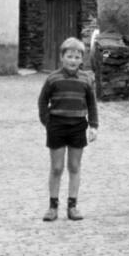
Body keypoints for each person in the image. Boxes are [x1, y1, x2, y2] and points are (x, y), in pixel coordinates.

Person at [37, 36, 98, 221]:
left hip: (78, 126)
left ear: (82, 59)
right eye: (69, 57)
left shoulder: (86, 79)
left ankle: (73, 206)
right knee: (56, 167)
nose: (73, 61)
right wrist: (47, 121)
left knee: (74, 166)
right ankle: (52, 206)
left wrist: (93, 125)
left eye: (77, 57)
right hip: (57, 126)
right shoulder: (52, 78)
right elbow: (42, 101)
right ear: (62, 58)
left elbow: (92, 104)